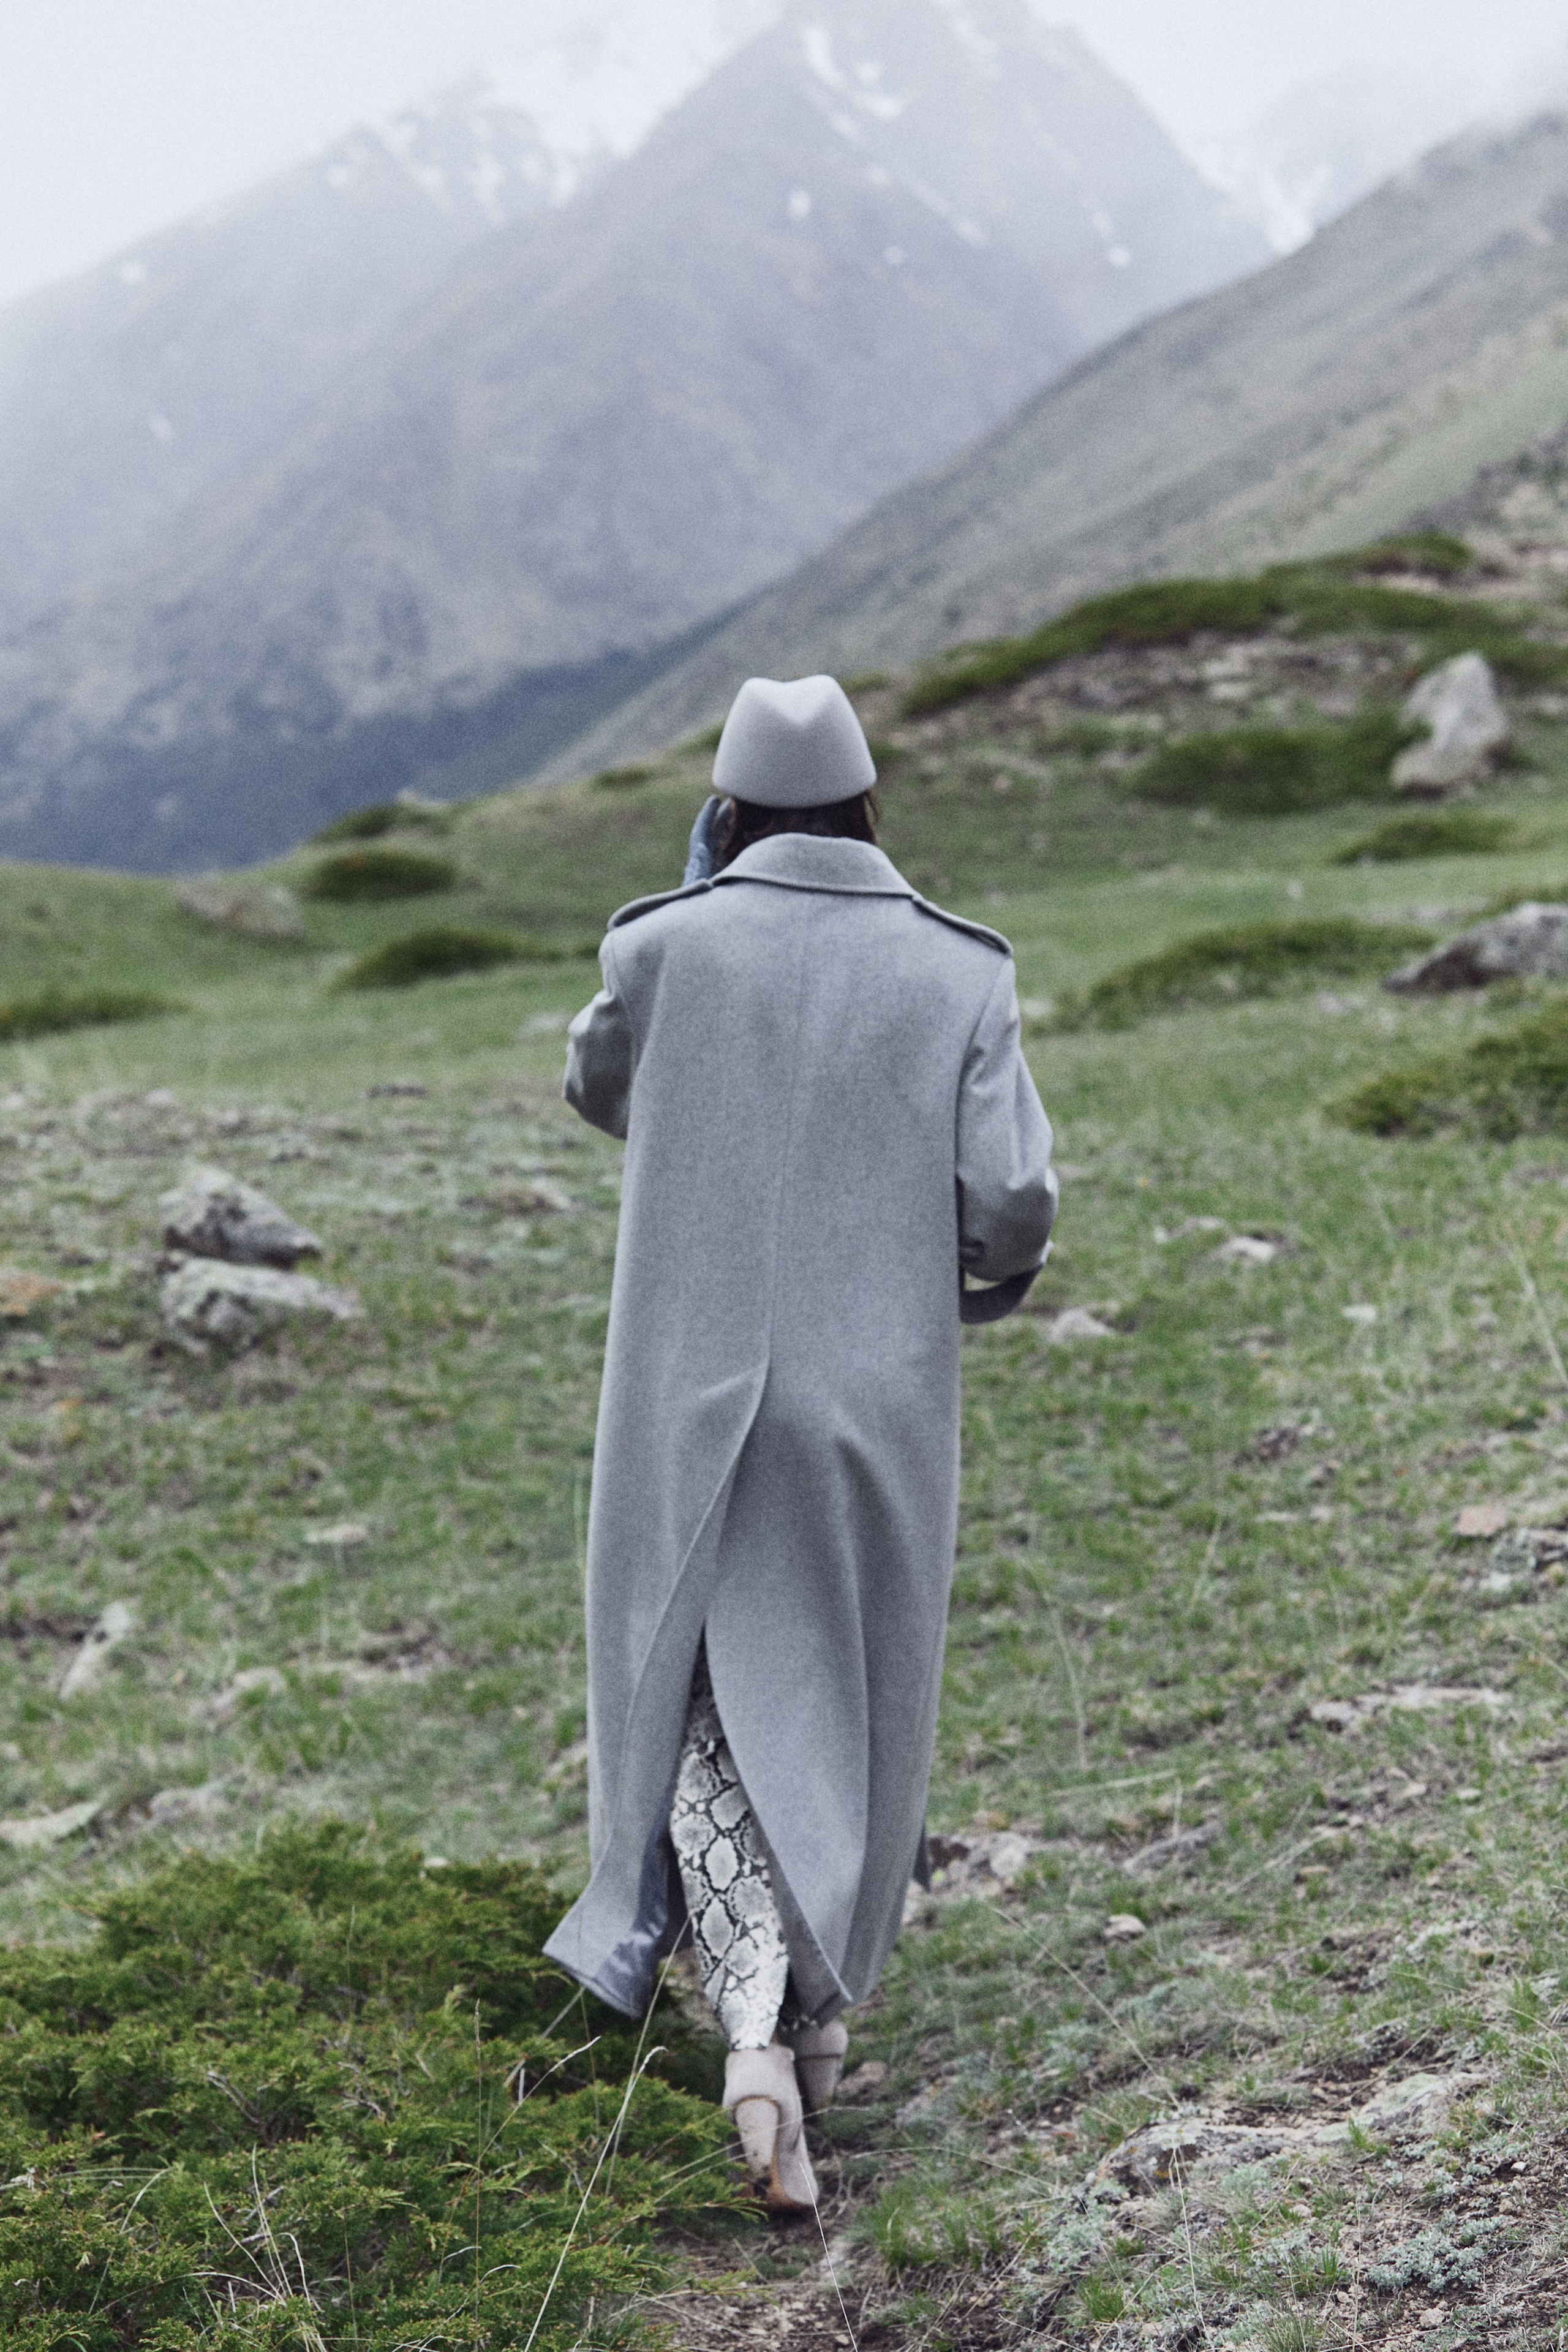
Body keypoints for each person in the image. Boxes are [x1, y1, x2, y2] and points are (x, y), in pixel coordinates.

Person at [543, 674, 1057, 2212]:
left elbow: (595, 1085)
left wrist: (689, 912)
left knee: (698, 1689)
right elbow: (1012, 1202)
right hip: (873, 1402)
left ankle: (756, 2041)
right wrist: (964, 1280)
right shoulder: (958, 971)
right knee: (846, 1682)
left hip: (685, 1395)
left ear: (726, 814)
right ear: (866, 806)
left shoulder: (660, 947)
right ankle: (804, 2026)